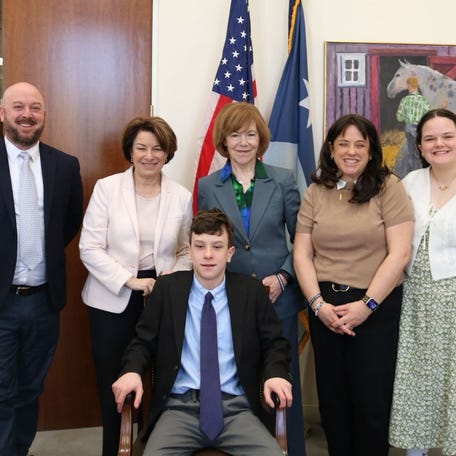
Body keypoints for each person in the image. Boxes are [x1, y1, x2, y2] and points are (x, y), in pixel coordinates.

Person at [112, 208, 292, 455]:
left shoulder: (251, 292)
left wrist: (276, 374)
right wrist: (131, 371)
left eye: (217, 247)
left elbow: (275, 344)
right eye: (200, 246)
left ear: (230, 254)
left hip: (236, 408)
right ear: (190, 250)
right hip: (178, 409)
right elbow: (142, 342)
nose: (208, 255)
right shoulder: (167, 290)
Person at [293, 114, 414, 456]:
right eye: (343, 143)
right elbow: (302, 254)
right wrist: (317, 305)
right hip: (325, 307)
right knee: (333, 401)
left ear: (372, 150)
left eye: (360, 144)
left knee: (371, 402)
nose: (351, 151)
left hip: (375, 306)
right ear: (331, 149)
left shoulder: (390, 188)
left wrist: (367, 306)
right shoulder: (316, 192)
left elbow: (399, 254)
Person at [197, 102, 305, 456]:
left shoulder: (283, 180)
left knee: (283, 378)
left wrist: (284, 276)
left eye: (250, 134)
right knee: (241, 376)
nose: (243, 142)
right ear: (223, 141)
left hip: (279, 298)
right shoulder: (208, 186)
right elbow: (208, 244)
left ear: (261, 140)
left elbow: (303, 240)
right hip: (232, 299)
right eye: (235, 135)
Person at [79, 116, 192, 456]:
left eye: (158, 148)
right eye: (141, 147)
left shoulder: (181, 195)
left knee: (158, 384)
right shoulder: (107, 188)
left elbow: (187, 249)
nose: (149, 155)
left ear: (167, 153)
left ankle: (153, 448)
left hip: (161, 299)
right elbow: (89, 247)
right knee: (115, 385)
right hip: (111, 299)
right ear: (130, 150)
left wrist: (170, 276)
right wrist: (129, 281)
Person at [0, 82, 83, 456]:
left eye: (35, 107)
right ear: (3, 113)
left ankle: (18, 450)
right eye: (18, 106)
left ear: (44, 115)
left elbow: (68, 224)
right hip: (1, 302)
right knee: (1, 391)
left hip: (43, 301)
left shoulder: (64, 166)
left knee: (30, 388)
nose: (27, 114)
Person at [389, 109, 456, 456]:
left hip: (454, 301)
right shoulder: (409, 182)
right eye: (430, 138)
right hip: (413, 298)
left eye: (447, 136)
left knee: (452, 386)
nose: (439, 144)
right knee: (417, 383)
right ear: (420, 145)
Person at [393, 76, 430, 178]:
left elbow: (399, 117)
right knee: (419, 151)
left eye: (408, 86)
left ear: (409, 86)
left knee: (410, 151)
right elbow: (428, 115)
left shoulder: (405, 100)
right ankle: (419, 173)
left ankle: (411, 174)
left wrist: (407, 116)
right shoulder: (423, 100)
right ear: (417, 86)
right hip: (419, 129)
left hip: (409, 128)